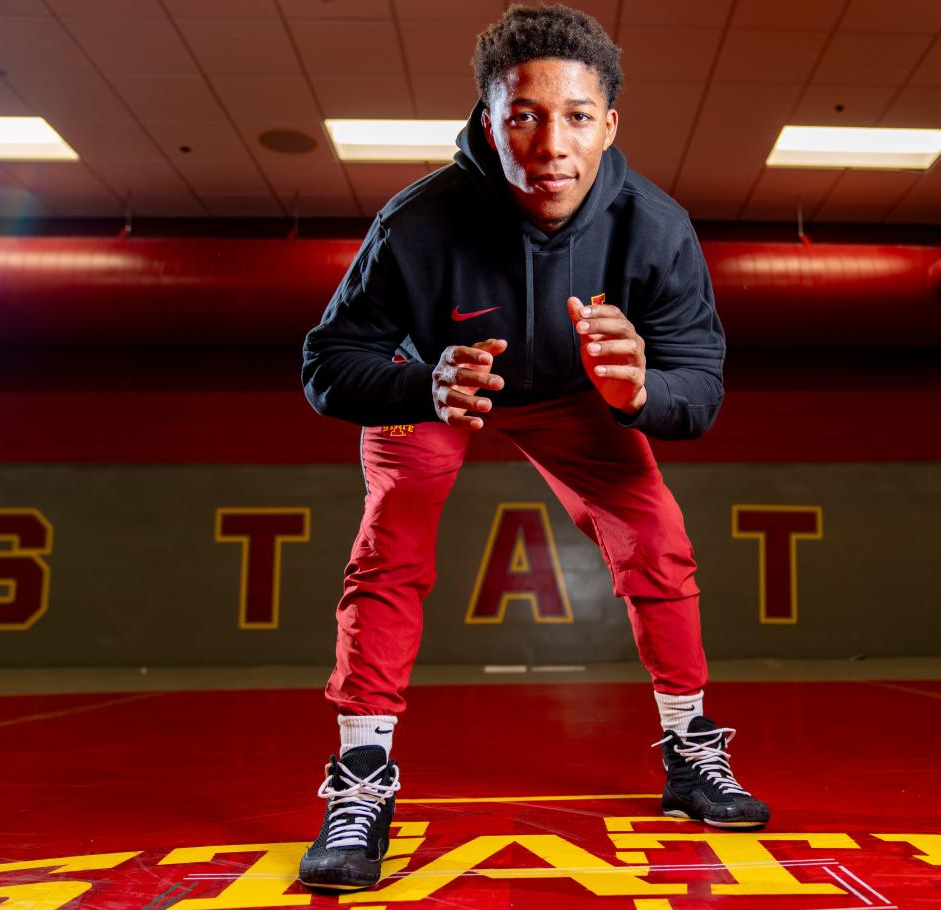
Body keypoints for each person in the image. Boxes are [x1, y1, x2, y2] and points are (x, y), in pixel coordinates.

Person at [298, 3, 770, 892]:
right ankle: (361, 777)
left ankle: (687, 751)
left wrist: (643, 392)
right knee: (391, 547)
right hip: (438, 385)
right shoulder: (418, 223)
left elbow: (699, 389)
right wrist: (416, 383)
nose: (550, 143)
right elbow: (327, 363)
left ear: (610, 126)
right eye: (523, 114)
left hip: (574, 401)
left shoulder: (656, 229)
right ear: (489, 120)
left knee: (658, 540)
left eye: (577, 116)